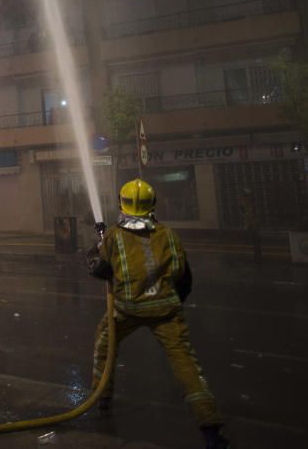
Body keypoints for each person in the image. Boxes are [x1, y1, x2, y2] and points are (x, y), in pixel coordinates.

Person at [87, 179, 229, 449]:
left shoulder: (115, 236)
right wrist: (173, 303)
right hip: (166, 310)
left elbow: (99, 270)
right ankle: (211, 430)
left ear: (122, 204)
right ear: (153, 204)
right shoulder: (168, 235)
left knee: (104, 343)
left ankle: (101, 396)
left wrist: (95, 251)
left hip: (126, 309)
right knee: (186, 365)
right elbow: (182, 276)